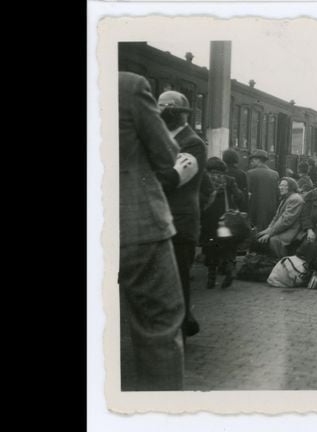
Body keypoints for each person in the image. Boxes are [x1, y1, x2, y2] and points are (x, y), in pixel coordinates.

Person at [118, 72, 191, 390]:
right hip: (134, 226)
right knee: (158, 328)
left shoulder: (196, 141)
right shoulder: (128, 86)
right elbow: (166, 158)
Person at [157, 90, 208, 339]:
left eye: (166, 113)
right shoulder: (163, 138)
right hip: (162, 219)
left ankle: (182, 325)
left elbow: (169, 180)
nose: (162, 117)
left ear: (178, 115)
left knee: (178, 277)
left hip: (181, 222)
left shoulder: (193, 143)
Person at [199, 157, 244, 289]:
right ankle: (230, 269)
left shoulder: (204, 179)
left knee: (210, 247)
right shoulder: (229, 180)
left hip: (209, 219)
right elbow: (239, 196)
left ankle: (211, 280)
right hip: (226, 219)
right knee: (228, 246)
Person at [255, 177, 305, 257]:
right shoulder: (286, 197)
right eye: (280, 185)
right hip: (284, 228)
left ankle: (279, 261)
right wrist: (268, 229)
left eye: (284, 186)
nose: (280, 187)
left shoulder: (295, 199)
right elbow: (276, 217)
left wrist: (270, 233)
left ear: (291, 187)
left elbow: (286, 221)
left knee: (272, 240)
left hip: (292, 230)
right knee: (259, 235)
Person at [246, 150, 280, 231]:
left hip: (254, 211)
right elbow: (277, 194)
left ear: (258, 160)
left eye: (253, 160)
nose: (251, 162)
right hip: (271, 211)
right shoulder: (275, 174)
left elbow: (247, 193)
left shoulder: (250, 173)